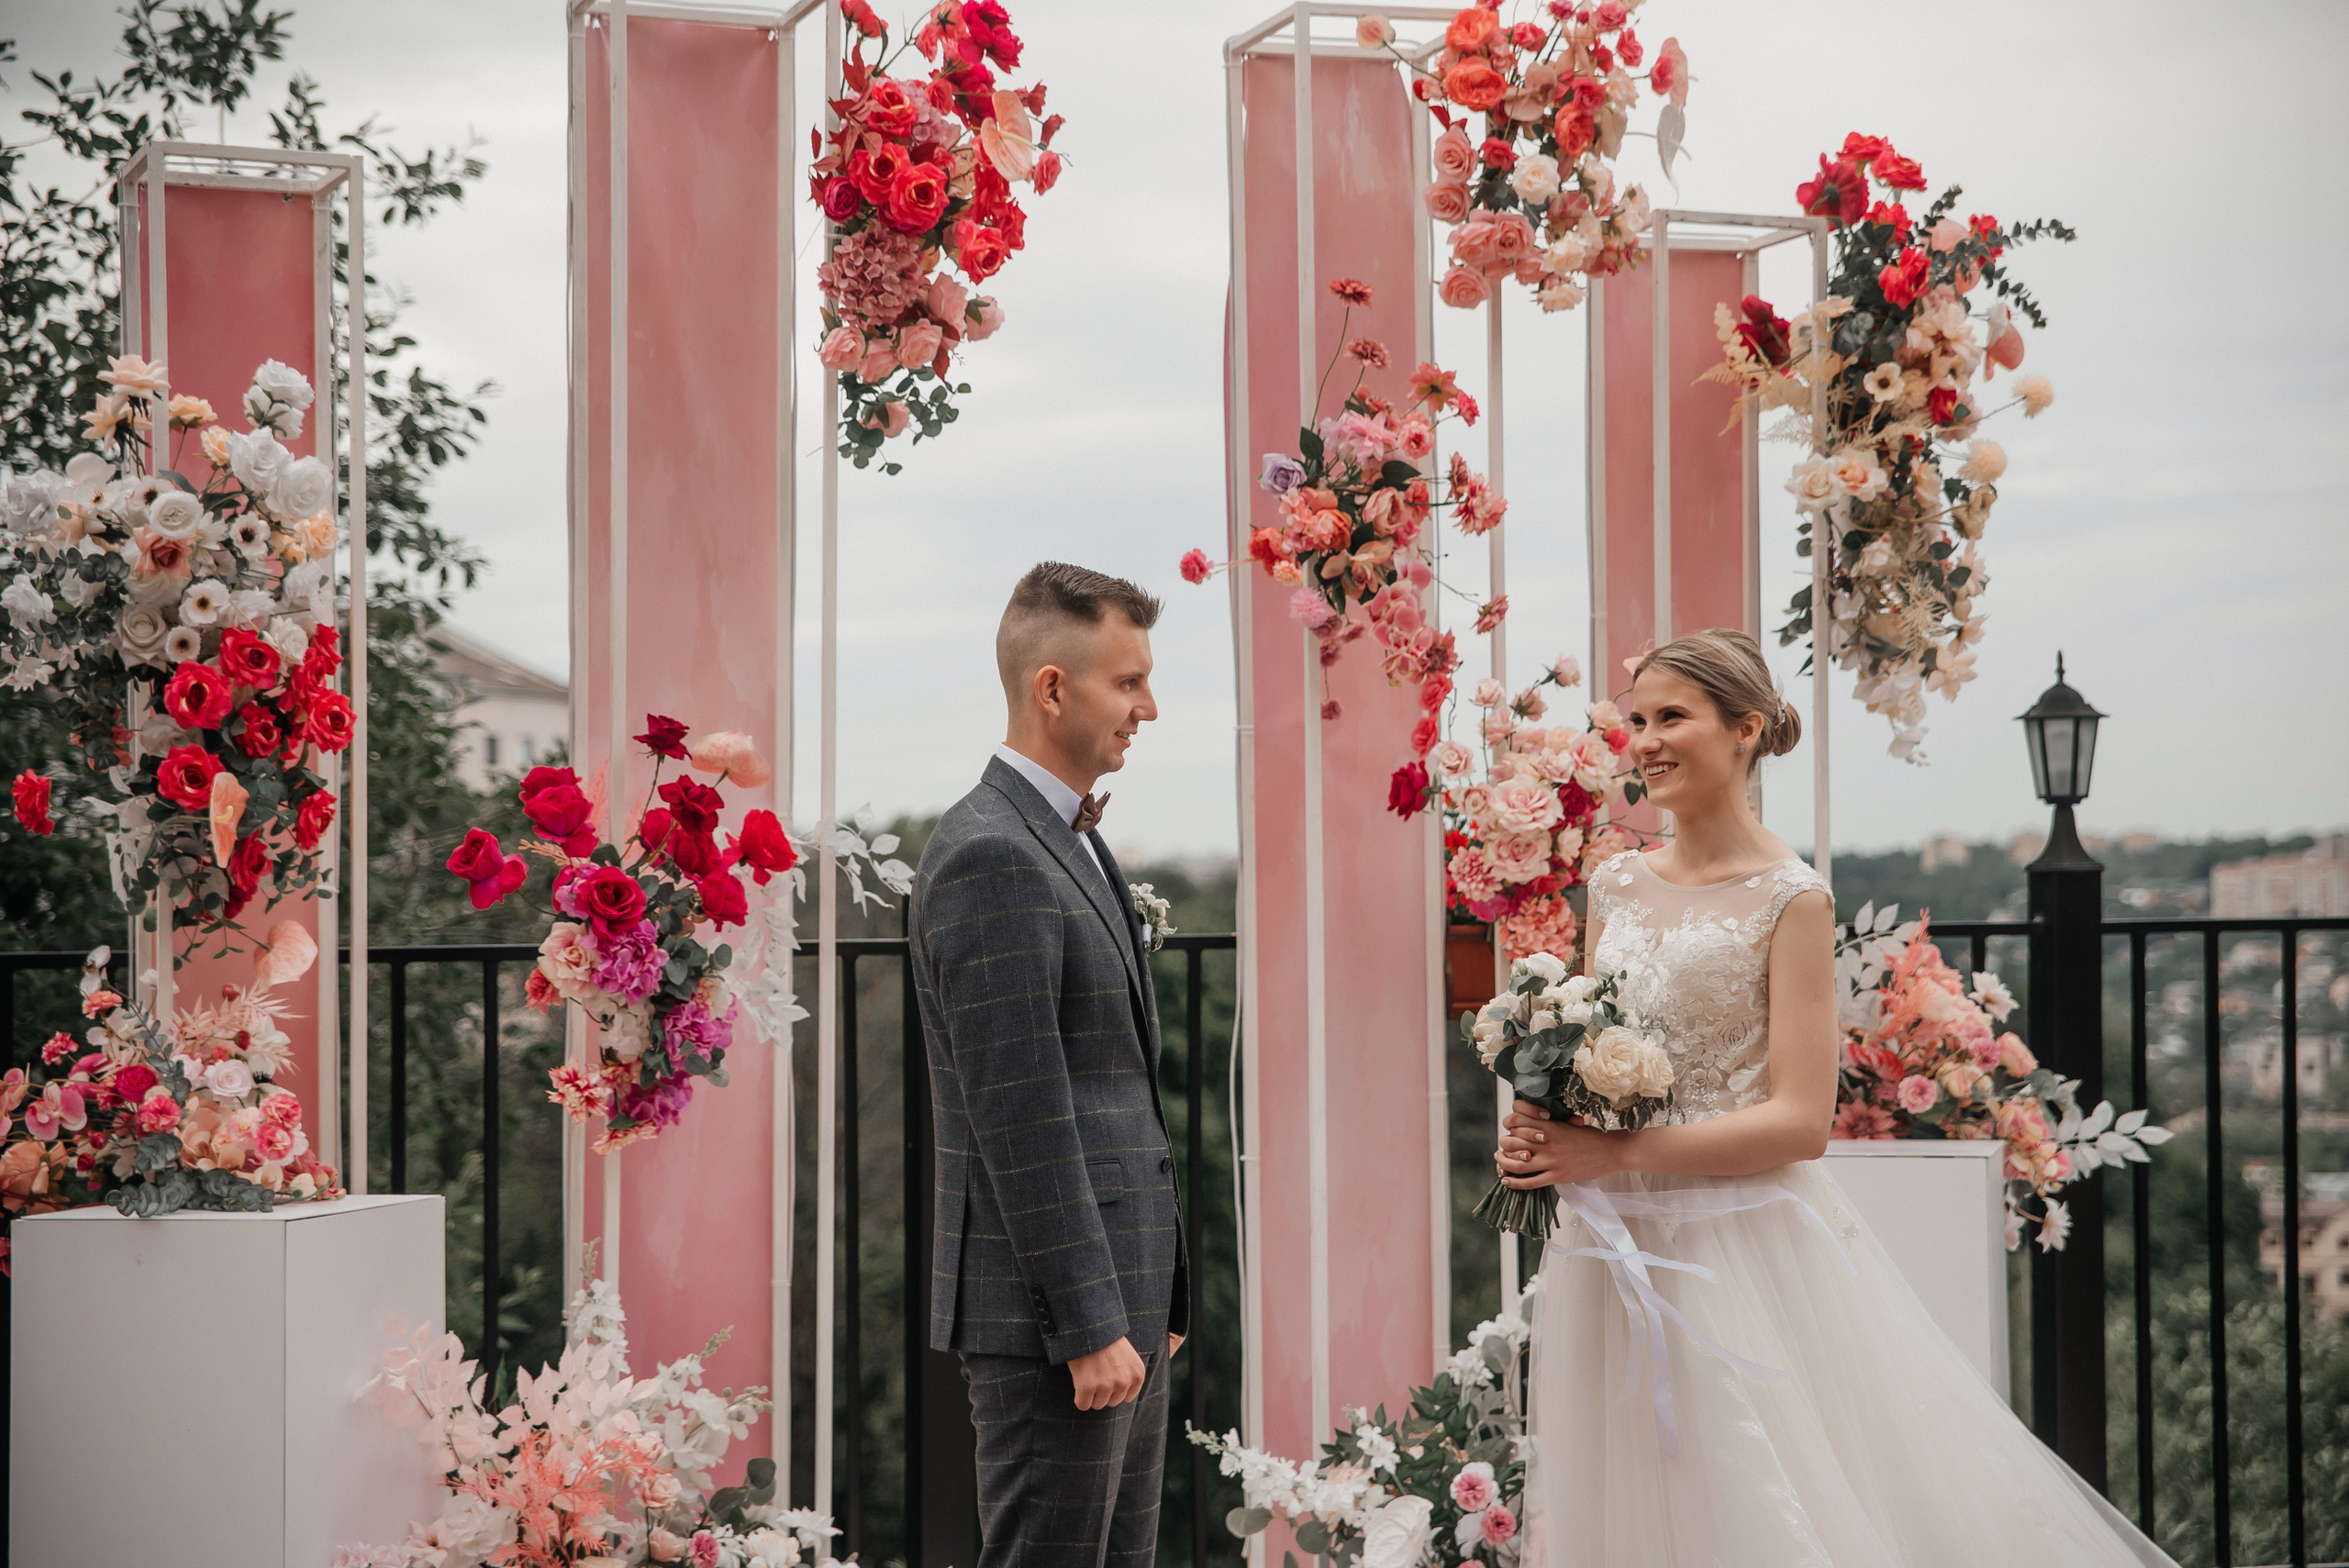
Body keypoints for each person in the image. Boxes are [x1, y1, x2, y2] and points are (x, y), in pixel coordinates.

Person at [1496, 628, 2172, 1567]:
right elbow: (1594, 1047)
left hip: (1734, 1245)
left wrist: (1609, 1155)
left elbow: (1799, 1121)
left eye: (1672, 717)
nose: (1645, 740)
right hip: (1609, 1239)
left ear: (1744, 729)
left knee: (1749, 1495)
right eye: (1637, 719)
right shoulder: (1610, 882)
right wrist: (1543, 1126)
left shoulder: (1789, 898)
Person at [907, 562, 1186, 1568]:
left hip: (1123, 1305)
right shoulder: (992, 853)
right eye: (1128, 682)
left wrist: (1158, 1302)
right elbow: (1020, 1113)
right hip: (1055, 1324)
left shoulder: (1063, 836)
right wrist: (1088, 1323)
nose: (1148, 707)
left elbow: (1110, 1087)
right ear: (1052, 687)